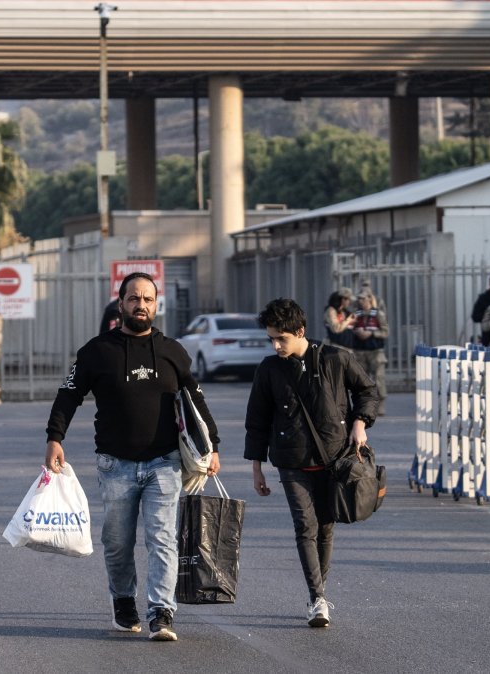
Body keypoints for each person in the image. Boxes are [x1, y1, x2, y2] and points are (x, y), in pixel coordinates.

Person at [45, 271, 220, 642]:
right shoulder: (96, 351)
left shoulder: (173, 351)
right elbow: (68, 395)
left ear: (156, 305)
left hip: (165, 461)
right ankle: (124, 601)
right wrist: (55, 438)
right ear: (121, 302)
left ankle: (161, 611)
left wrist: (212, 445)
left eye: (148, 299)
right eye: (134, 298)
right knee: (118, 541)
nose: (141, 305)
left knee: (162, 538)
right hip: (115, 464)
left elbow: (196, 399)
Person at [245, 297, 378, 628]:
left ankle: (318, 590)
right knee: (306, 525)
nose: (276, 345)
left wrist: (361, 422)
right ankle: (317, 598)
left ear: (300, 331)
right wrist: (257, 466)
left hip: (335, 461)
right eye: (271, 339)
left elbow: (368, 391)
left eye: (282, 338)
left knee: (326, 527)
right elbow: (257, 419)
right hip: (291, 462)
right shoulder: (269, 369)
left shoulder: (335, 358)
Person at [350, 289, 389, 416]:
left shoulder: (378, 314)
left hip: (375, 352)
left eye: (362, 298)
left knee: (378, 379)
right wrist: (357, 332)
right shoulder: (356, 314)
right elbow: (349, 329)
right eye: (359, 299)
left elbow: (385, 332)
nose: (360, 301)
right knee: (361, 380)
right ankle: (364, 406)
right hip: (360, 351)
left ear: (369, 299)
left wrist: (371, 333)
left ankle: (381, 405)